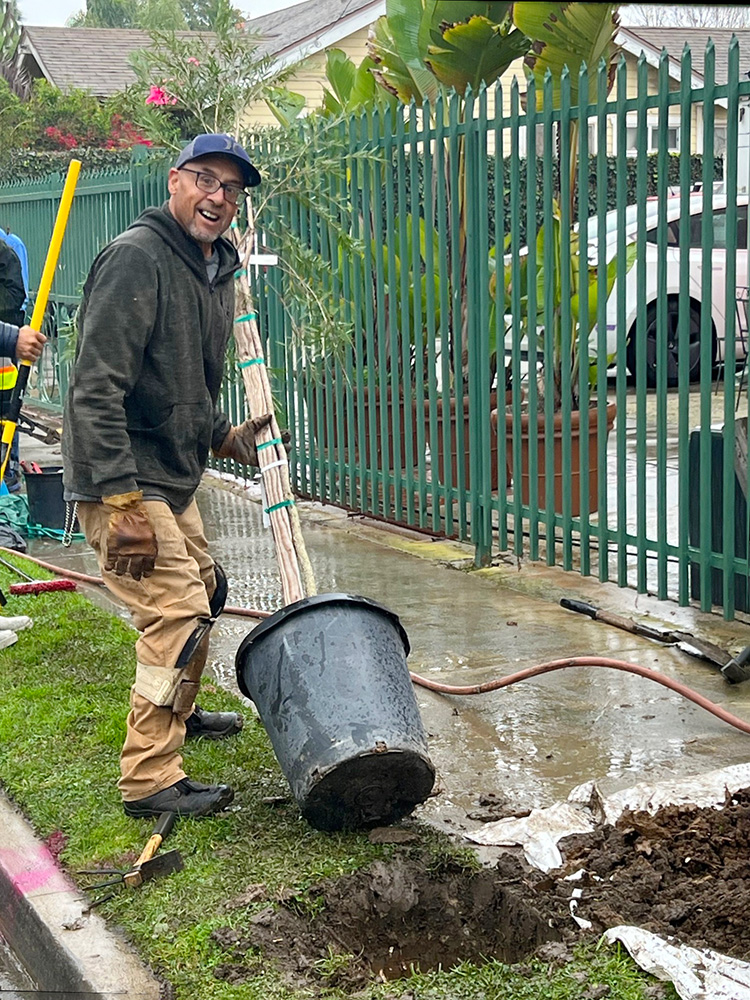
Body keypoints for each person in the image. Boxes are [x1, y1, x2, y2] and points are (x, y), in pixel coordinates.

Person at [62, 133, 276, 819]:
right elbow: (96, 389)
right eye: (206, 180)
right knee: (175, 609)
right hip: (121, 474)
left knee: (206, 590)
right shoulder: (137, 259)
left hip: (170, 471)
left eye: (232, 189)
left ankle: (179, 716)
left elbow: (181, 384)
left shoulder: (211, 266)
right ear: (174, 180)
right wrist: (120, 499)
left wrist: (226, 437)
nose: (219, 198)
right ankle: (149, 777)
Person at [0, 238, 30, 493]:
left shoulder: (7, 249)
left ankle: (8, 470)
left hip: (4, 353)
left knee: (7, 410)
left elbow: (15, 295)